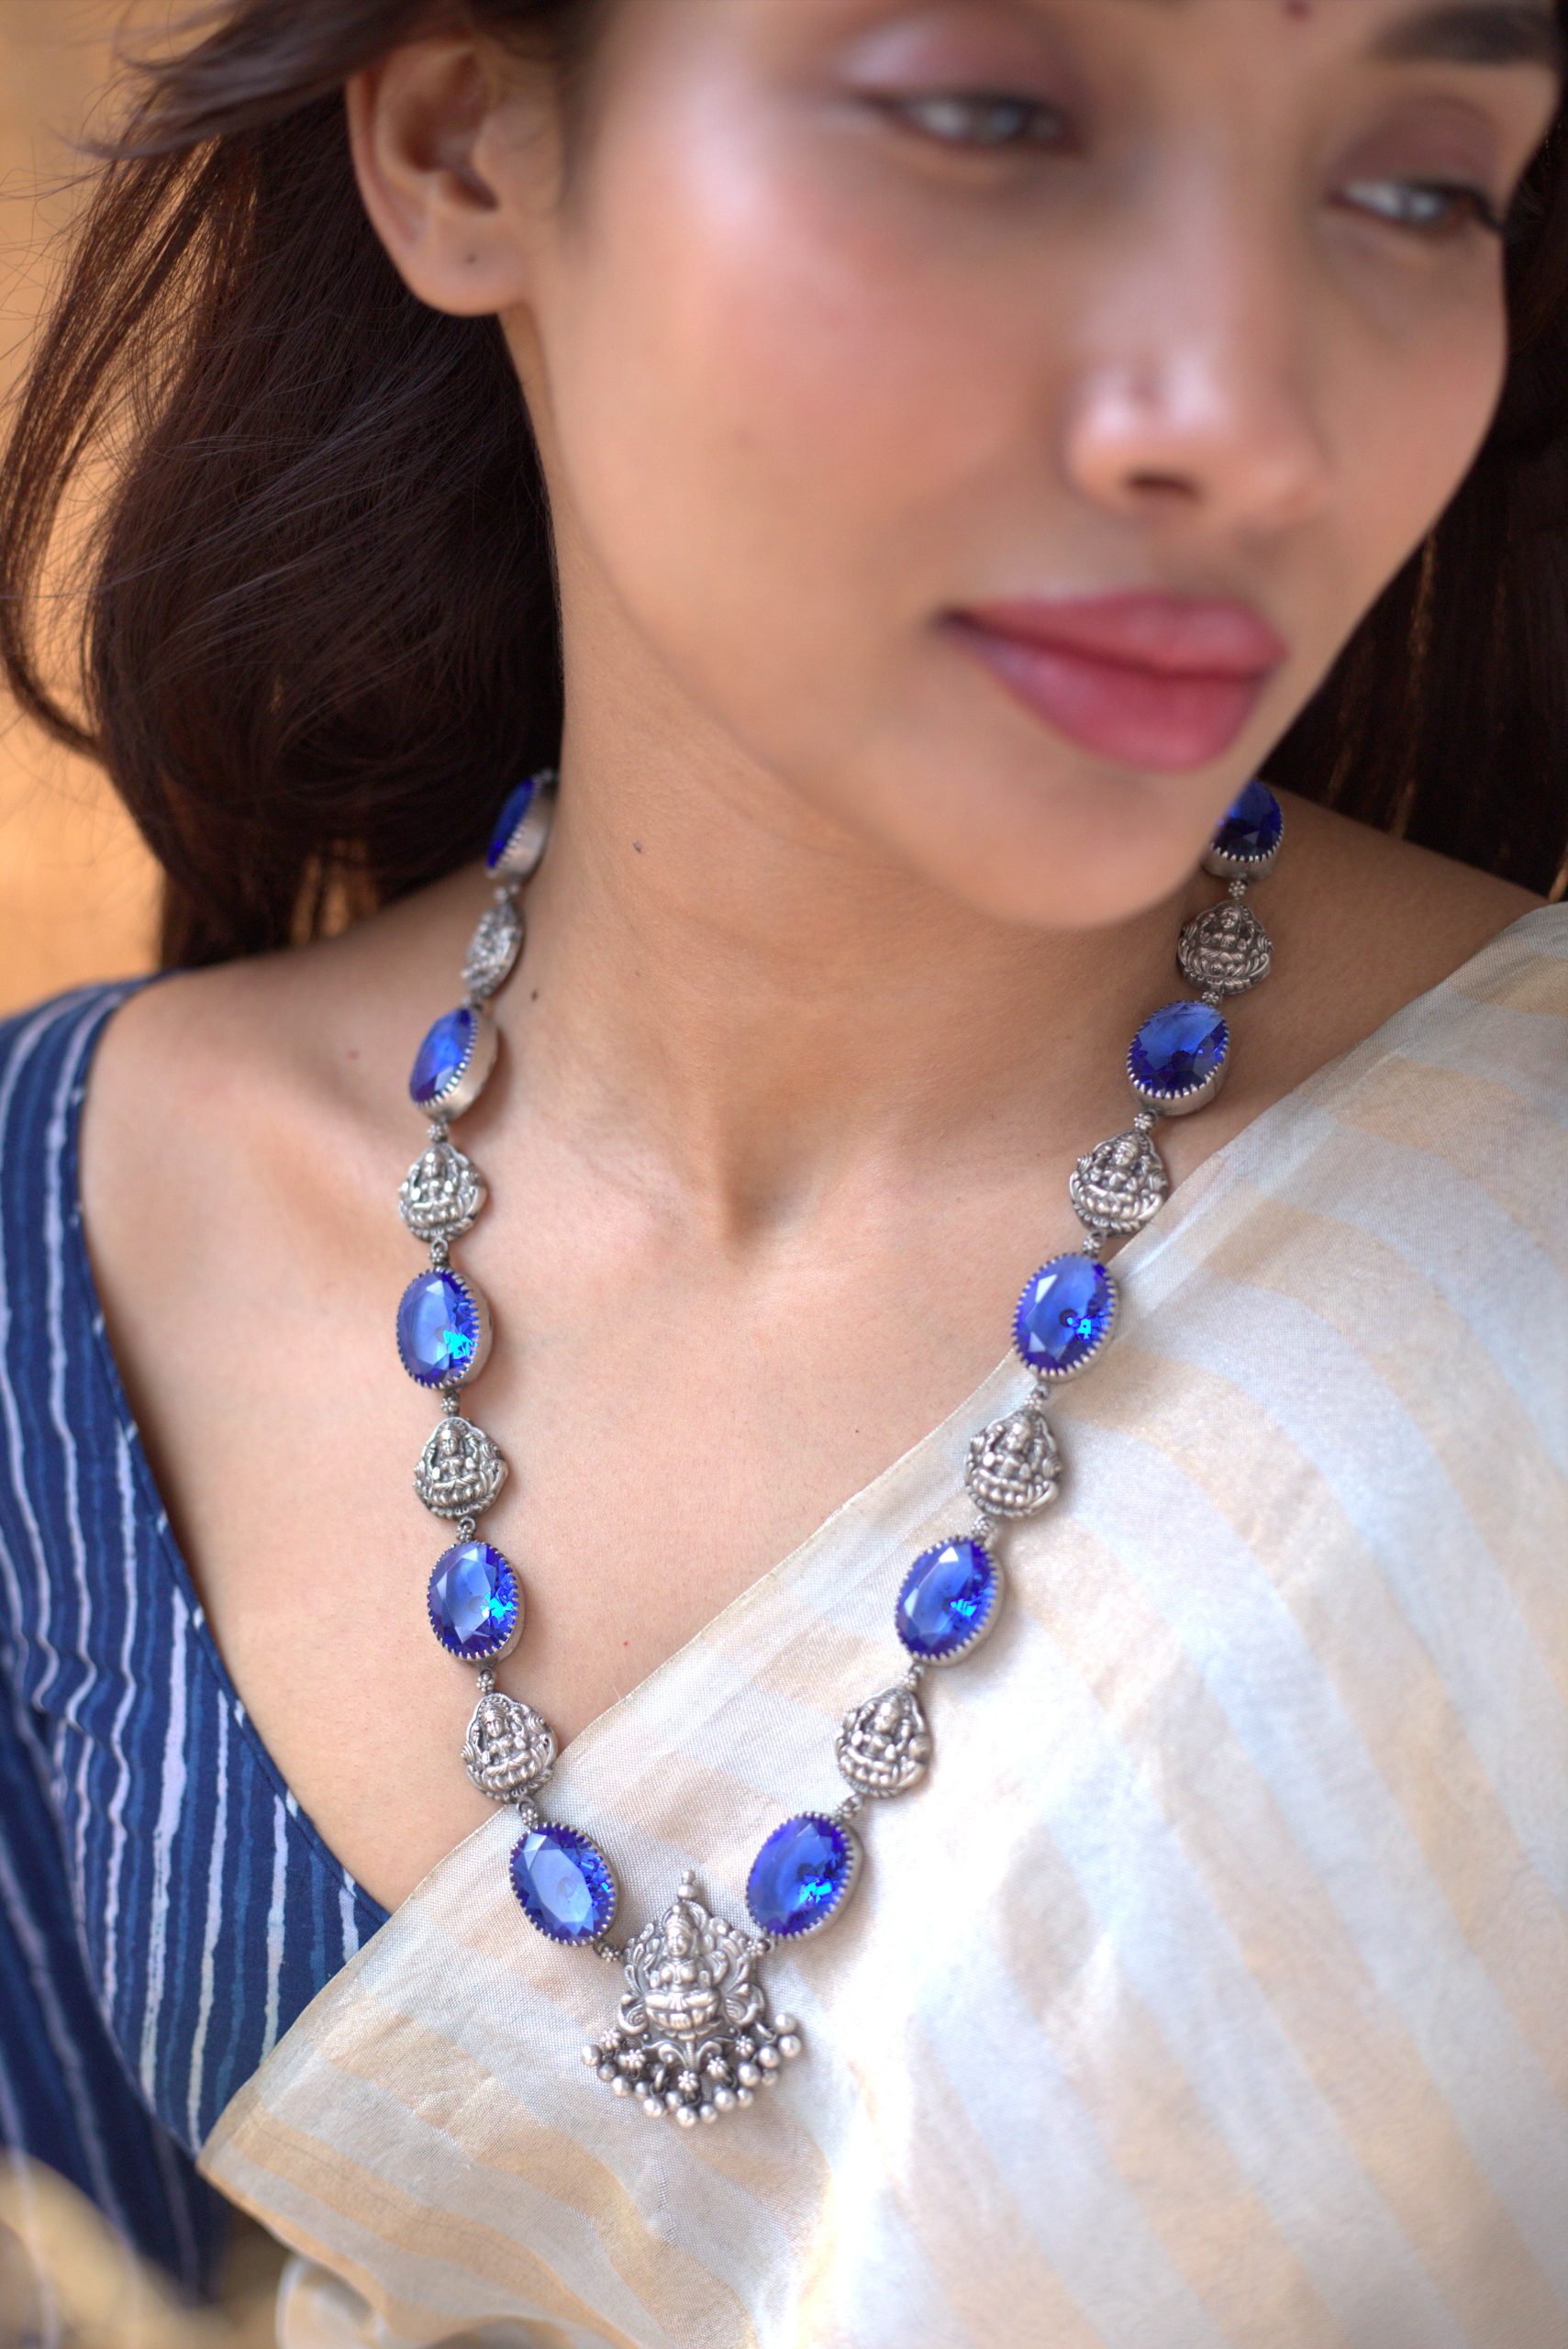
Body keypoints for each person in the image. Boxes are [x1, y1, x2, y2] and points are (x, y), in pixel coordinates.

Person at [1, 1, 1564, 2341]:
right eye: (991, 118)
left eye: (1422, 184)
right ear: (463, 146)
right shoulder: (59, 1261)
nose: (1249, 421)